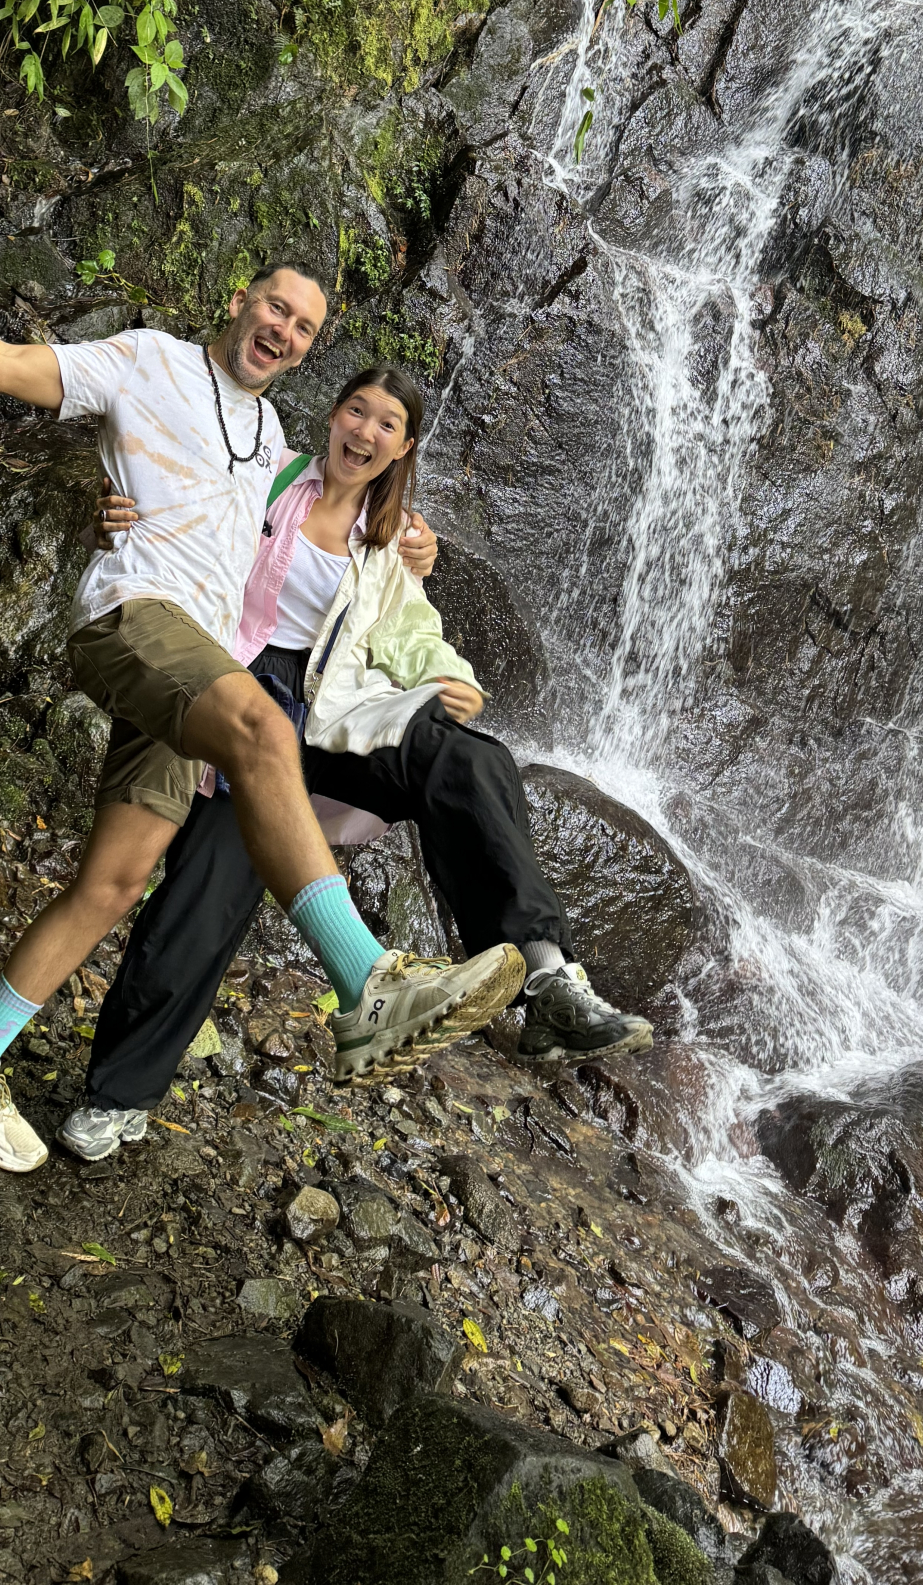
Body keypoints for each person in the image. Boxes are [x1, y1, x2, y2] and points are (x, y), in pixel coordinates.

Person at [0, 192, 526, 1173]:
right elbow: (5, 370)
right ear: (241, 298)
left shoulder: (269, 442)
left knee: (114, 881)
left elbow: (320, 549)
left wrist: (407, 564)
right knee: (263, 732)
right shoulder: (145, 360)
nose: (282, 330)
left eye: (302, 328)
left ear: (304, 352)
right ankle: (364, 980)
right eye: (275, 308)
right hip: (138, 627)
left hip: (198, 663)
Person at [57, 360, 653, 1162]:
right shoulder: (264, 480)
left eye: (386, 425)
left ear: (403, 446)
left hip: (328, 716)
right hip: (225, 695)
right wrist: (112, 518)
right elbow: (172, 504)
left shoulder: (391, 543)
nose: (365, 432)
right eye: (356, 411)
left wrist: (454, 677)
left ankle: (548, 978)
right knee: (199, 903)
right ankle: (115, 1096)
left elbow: (413, 632)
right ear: (332, 417)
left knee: (470, 759)